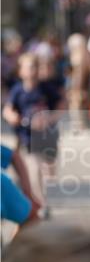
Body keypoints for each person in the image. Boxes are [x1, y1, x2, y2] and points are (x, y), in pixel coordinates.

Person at [3, 52, 63, 216]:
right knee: (34, 168)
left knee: (48, 169)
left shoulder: (46, 89)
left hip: (47, 137)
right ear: (21, 71)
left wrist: (51, 117)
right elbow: (8, 109)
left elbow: (61, 105)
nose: (33, 71)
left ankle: (35, 198)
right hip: (27, 138)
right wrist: (12, 116)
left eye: (36, 67)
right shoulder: (17, 91)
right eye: (29, 67)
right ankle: (40, 204)